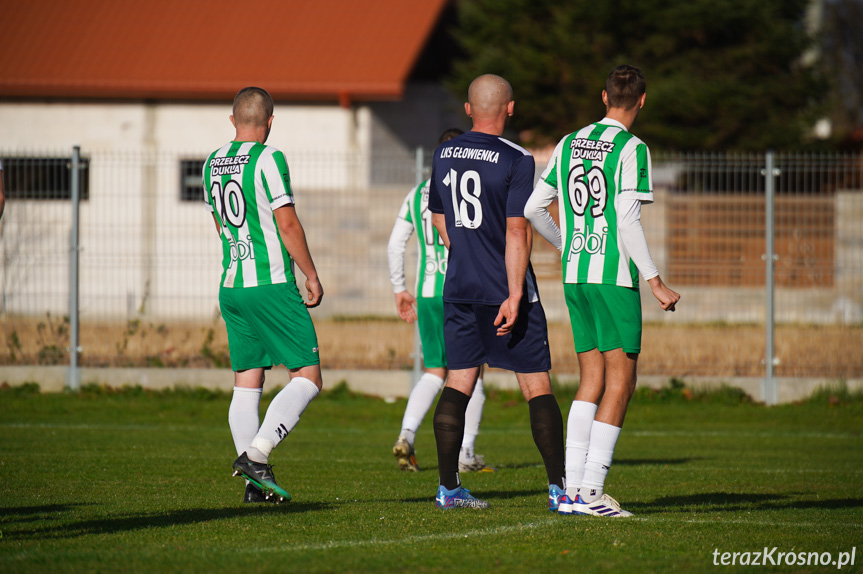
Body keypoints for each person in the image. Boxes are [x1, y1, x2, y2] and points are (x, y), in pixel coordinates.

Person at [525, 65, 680, 517]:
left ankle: (569, 491)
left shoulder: (570, 141)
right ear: (643, 100)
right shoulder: (633, 148)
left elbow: (535, 207)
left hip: (576, 273)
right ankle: (590, 493)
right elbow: (627, 220)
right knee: (621, 381)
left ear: (604, 96)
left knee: (591, 379)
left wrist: (566, 243)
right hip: (612, 278)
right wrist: (654, 280)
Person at [427, 74, 566, 510]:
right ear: (510, 109)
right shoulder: (518, 158)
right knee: (536, 385)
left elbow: (438, 217)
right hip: (502, 288)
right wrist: (512, 293)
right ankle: (560, 489)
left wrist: (465, 251)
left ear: (468, 109)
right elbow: (517, 232)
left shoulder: (444, 152)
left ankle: (448, 488)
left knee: (459, 380)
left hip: (459, 285)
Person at [203, 86, 324, 504]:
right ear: (269, 122)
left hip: (232, 285)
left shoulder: (212, 162)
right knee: (307, 377)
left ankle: (255, 486)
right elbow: (286, 223)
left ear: (232, 120)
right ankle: (257, 455)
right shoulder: (269, 157)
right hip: (270, 285)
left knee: (246, 383)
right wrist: (310, 273)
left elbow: (221, 225)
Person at [387, 128, 492, 474]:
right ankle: (466, 453)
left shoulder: (417, 193)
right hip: (461, 291)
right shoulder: (469, 189)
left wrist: (400, 288)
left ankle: (406, 434)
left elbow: (395, 243)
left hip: (427, 293)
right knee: (473, 375)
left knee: (434, 370)